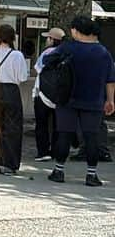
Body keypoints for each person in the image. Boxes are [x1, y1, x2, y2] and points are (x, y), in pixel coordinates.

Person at [49, 15, 115, 189]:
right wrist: (110, 100)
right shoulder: (103, 53)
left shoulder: (67, 48)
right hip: (94, 101)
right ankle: (91, 175)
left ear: (76, 31)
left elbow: (46, 63)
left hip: (67, 99)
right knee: (91, 137)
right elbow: (110, 80)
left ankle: (58, 171)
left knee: (64, 134)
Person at [0, 24, 29, 174]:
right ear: (13, 37)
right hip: (11, 91)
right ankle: (8, 163)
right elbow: (22, 77)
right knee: (12, 127)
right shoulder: (17, 55)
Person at [32, 27, 65, 161]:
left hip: (42, 94)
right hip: (59, 96)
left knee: (41, 124)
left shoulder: (46, 53)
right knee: (58, 125)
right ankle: (56, 151)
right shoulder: (65, 53)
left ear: (52, 39)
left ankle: (43, 151)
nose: (46, 40)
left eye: (48, 37)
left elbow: (37, 69)